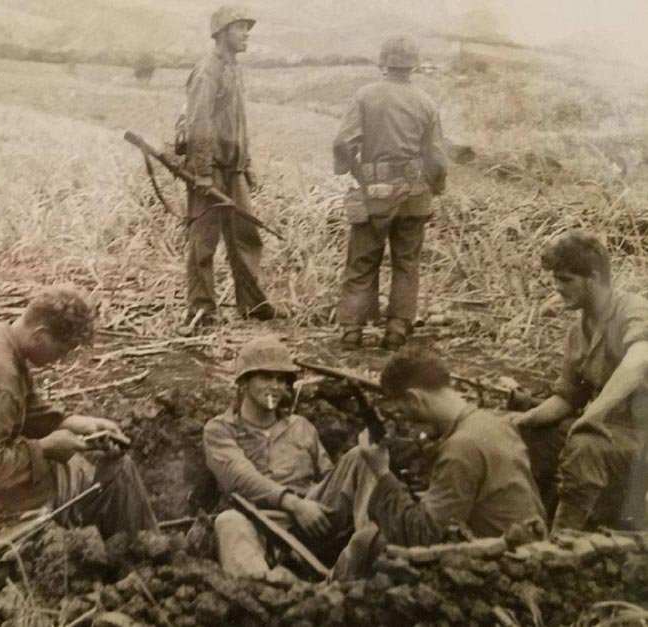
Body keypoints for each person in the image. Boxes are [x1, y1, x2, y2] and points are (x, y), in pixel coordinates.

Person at [0, 287, 157, 537]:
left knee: (79, 466)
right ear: (40, 335)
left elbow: (24, 407)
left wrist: (75, 423)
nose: (62, 361)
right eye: (62, 350)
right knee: (105, 477)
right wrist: (45, 448)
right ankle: (141, 548)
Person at [203, 335, 381, 581]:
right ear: (243, 382)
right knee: (228, 521)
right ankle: (264, 589)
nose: (275, 386)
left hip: (314, 520)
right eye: (266, 377)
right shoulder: (220, 429)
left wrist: (310, 504)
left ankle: (361, 561)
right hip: (259, 522)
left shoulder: (301, 427)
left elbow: (331, 480)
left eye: (281, 380)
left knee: (362, 456)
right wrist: (294, 505)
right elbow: (239, 478)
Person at [512, 232, 648, 531]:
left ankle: (564, 548)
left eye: (566, 279)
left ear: (594, 278)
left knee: (584, 446)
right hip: (606, 430)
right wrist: (523, 420)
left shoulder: (633, 309)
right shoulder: (579, 329)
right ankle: (527, 528)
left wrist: (593, 413)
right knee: (527, 436)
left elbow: (639, 360)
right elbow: (567, 398)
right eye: (556, 279)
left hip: (639, 434)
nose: (557, 288)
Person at [361, 348, 545, 545]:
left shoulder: (461, 447)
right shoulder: (495, 422)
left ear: (415, 398)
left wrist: (381, 473)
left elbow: (422, 536)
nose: (405, 417)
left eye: (402, 408)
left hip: (503, 564)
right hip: (527, 549)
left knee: (365, 543)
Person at [332, 34, 447, 350]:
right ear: (414, 65)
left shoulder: (365, 96)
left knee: (361, 260)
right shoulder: (426, 102)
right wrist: (436, 187)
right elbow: (436, 157)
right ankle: (397, 329)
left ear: (384, 62)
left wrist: (355, 172)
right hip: (414, 195)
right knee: (406, 262)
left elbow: (343, 143)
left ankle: (352, 330)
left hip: (374, 194)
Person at [182, 5, 275, 330]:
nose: (247, 34)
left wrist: (246, 164)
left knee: (246, 236)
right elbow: (199, 125)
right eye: (240, 28)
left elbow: (238, 124)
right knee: (203, 243)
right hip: (211, 171)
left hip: (232, 171)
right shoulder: (207, 72)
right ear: (222, 33)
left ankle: (252, 304)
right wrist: (203, 172)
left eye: (248, 28)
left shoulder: (233, 70)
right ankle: (202, 309)